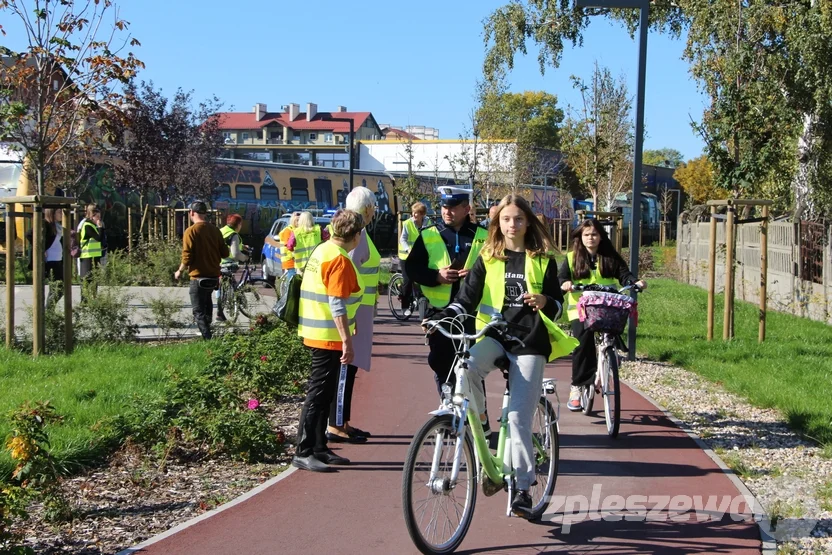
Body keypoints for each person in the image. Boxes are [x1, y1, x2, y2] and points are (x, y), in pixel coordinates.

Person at [426, 194, 578, 519]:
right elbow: (466, 299)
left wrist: (545, 300)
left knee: (518, 418)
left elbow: (559, 306)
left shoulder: (544, 259)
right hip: (495, 334)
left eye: (518, 219)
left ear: (527, 222)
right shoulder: (489, 256)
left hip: (531, 341)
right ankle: (480, 425)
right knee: (464, 370)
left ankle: (523, 487)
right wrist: (444, 316)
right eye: (506, 219)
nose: (512, 225)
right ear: (498, 223)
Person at [405, 186, 491, 429]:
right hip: (438, 310)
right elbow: (411, 269)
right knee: (441, 360)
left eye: (453, 207)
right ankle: (448, 406)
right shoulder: (429, 234)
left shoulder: (484, 235)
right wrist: (437, 276)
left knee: (472, 366)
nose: (447, 212)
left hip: (474, 311)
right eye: (444, 207)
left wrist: (474, 274)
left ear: (467, 209)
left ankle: (480, 418)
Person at [293, 210, 364, 473]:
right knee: (318, 394)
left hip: (316, 331)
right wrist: (347, 339)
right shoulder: (339, 259)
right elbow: (337, 304)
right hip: (327, 337)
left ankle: (319, 446)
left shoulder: (322, 250)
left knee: (324, 394)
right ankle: (304, 450)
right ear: (355, 236)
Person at [559, 219, 647, 411]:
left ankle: (609, 356)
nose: (591, 238)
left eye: (594, 234)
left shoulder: (610, 256)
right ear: (580, 237)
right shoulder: (571, 257)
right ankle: (577, 386)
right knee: (583, 344)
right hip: (580, 310)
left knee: (612, 332)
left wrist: (636, 282)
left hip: (607, 306)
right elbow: (562, 277)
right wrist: (565, 283)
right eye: (586, 234)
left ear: (601, 236)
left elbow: (624, 274)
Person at [326, 188, 378, 444]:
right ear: (367, 209)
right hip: (354, 314)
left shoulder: (360, 233)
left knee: (350, 371)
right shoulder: (357, 236)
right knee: (346, 371)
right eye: (374, 207)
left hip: (358, 313)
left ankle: (343, 421)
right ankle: (336, 424)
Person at [174, 201, 229, 340]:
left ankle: (207, 338)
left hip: (197, 278)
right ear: (205, 214)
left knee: (198, 310)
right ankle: (209, 331)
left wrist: (180, 271)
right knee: (207, 302)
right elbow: (225, 253)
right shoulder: (215, 230)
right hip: (213, 276)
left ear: (191, 213)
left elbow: (187, 256)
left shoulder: (190, 231)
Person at [27, 208, 65, 307]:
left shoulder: (56, 225)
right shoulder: (45, 224)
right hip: (50, 260)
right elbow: (29, 234)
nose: (61, 214)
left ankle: (49, 311)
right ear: (52, 213)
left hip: (57, 259)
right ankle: (49, 311)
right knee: (58, 287)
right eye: (59, 212)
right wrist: (41, 250)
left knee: (58, 287)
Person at [398, 201, 428, 317]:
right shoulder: (407, 224)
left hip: (420, 256)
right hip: (406, 256)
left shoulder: (428, 223)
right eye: (413, 213)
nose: (414, 215)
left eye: (417, 213)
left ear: (422, 214)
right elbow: (403, 240)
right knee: (408, 280)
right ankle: (405, 305)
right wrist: (408, 249)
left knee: (423, 278)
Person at [216, 214, 249, 322]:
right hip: (228, 263)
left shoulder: (222, 231)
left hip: (218, 262)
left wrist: (242, 245)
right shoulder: (233, 234)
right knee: (233, 288)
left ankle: (219, 311)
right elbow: (235, 254)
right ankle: (222, 312)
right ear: (239, 224)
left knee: (222, 287)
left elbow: (226, 243)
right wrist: (245, 257)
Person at [78, 205, 103, 298]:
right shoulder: (87, 225)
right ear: (92, 216)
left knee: (95, 278)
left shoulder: (93, 225)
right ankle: (84, 299)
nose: (99, 219)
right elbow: (98, 238)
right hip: (87, 256)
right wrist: (100, 228)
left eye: (99, 217)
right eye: (97, 217)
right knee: (86, 278)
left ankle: (94, 297)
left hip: (95, 255)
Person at [279, 212, 301, 282]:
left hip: (296, 260)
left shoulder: (296, 230)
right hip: (290, 259)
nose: (299, 223)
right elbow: (288, 245)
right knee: (291, 280)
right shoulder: (288, 230)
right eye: (297, 221)